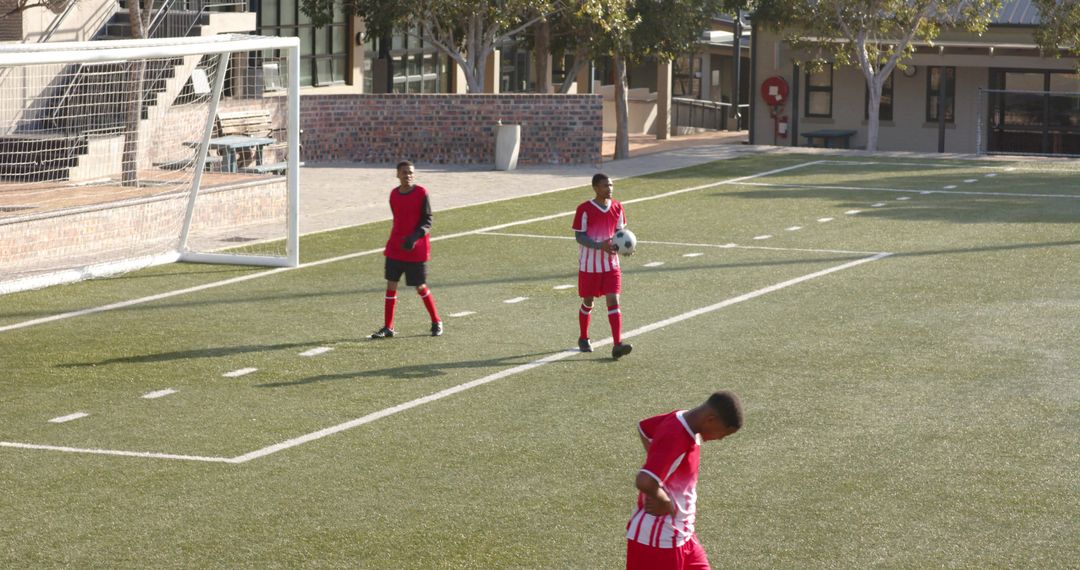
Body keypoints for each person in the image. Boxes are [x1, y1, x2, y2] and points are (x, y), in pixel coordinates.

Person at [625, 391, 744, 570]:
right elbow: (644, 481)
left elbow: (644, 428)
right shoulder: (677, 436)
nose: (720, 439)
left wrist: (661, 469)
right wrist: (664, 500)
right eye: (724, 433)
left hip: (683, 534)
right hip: (659, 540)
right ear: (710, 419)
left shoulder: (682, 419)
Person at [369, 160, 443, 339]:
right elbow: (398, 218)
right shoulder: (394, 194)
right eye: (404, 172)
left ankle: (436, 321)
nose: (408, 175)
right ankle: (388, 327)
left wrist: (415, 237)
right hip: (395, 248)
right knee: (391, 285)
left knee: (420, 286)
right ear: (397, 175)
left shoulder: (421, 193)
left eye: (410, 172)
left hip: (416, 250)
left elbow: (428, 221)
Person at [571, 173, 632, 359]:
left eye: (611, 185)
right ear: (596, 188)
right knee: (588, 301)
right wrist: (600, 246)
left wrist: (626, 248)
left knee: (613, 300)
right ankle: (583, 337)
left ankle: (617, 344)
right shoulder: (584, 209)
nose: (610, 188)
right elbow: (579, 236)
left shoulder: (617, 207)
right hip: (589, 266)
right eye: (606, 185)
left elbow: (619, 233)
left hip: (611, 265)